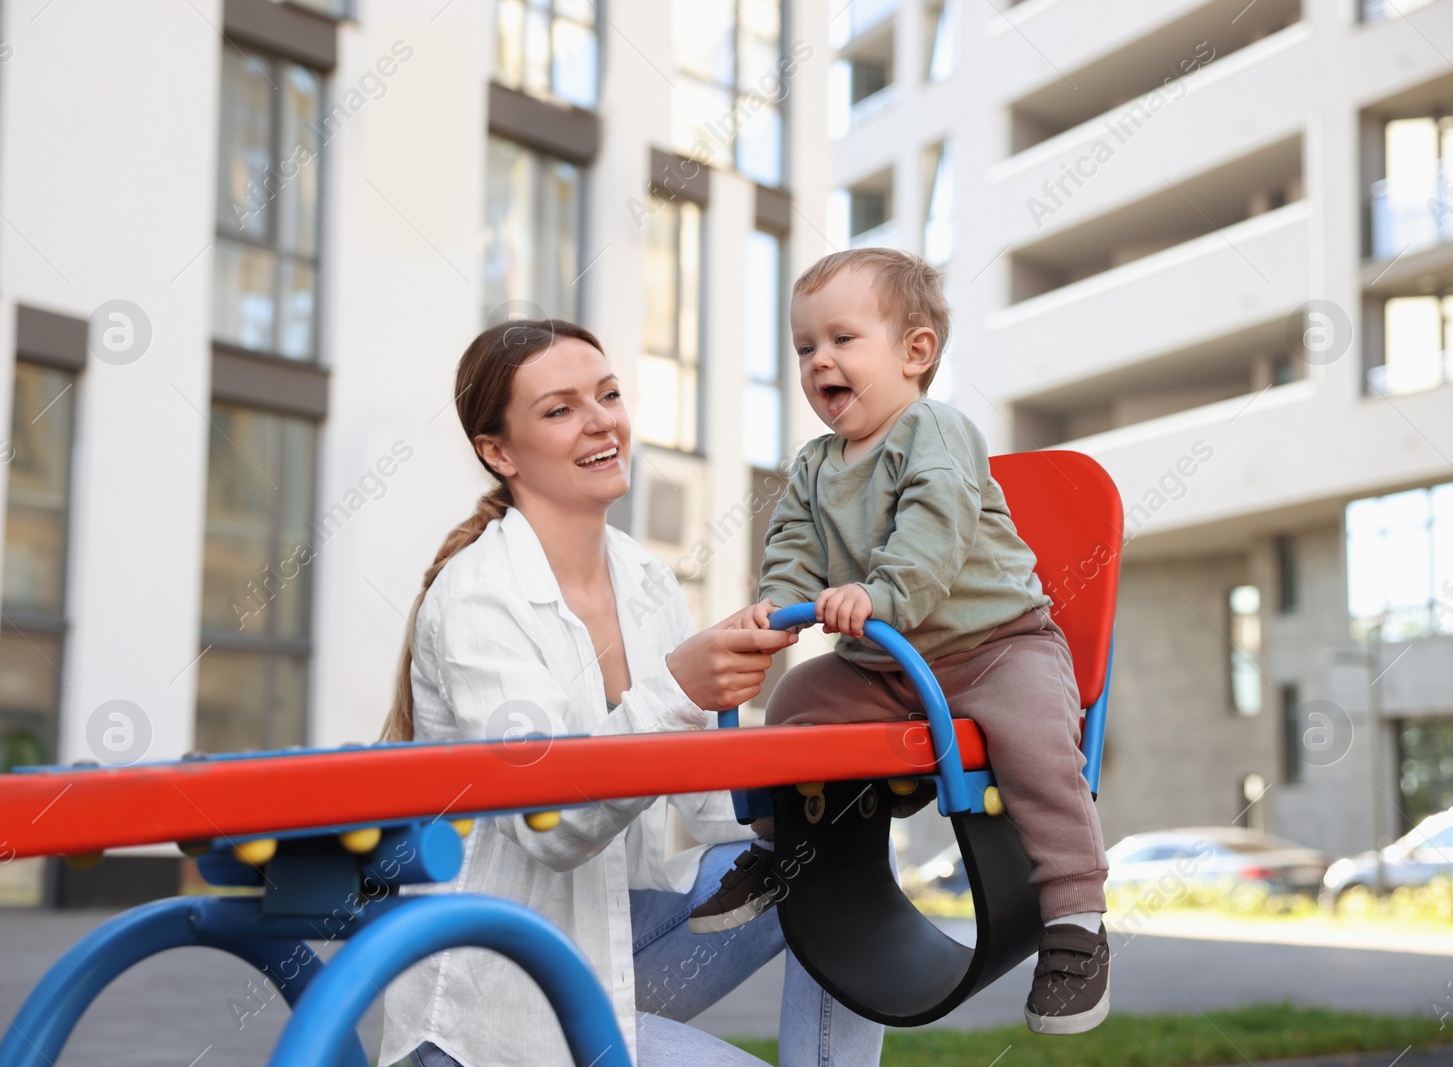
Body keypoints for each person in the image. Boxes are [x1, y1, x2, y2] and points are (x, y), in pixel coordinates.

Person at [375, 319, 885, 1067]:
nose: (602, 420)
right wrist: (680, 687)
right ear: (498, 451)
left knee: (840, 847)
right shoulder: (481, 598)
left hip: (616, 947)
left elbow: (713, 810)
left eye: (608, 394)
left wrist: (821, 786)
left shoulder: (645, 580)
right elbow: (554, 827)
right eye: (560, 409)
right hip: (497, 1008)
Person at [684, 248, 1112, 1036]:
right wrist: (776, 606)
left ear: (915, 352)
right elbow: (791, 550)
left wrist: (878, 595)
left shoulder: (936, 433)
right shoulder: (813, 466)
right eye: (804, 347)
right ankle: (781, 850)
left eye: (842, 339)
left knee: (1036, 739)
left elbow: (931, 535)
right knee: (800, 698)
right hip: (889, 663)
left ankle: (1077, 920)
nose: (820, 362)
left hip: (996, 647)